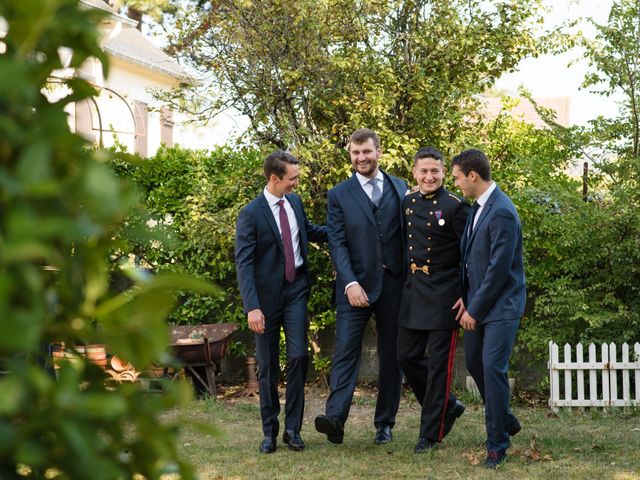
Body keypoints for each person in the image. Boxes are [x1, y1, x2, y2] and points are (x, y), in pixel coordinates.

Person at [315, 128, 407, 446]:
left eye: (366, 151)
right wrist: (350, 281)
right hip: (355, 286)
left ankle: (385, 424)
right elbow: (337, 243)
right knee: (345, 352)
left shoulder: (400, 187)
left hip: (393, 284)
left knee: (391, 355)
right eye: (355, 153)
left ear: (378, 151)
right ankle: (335, 419)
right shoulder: (339, 194)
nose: (361, 158)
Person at [235, 150, 327, 454]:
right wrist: (252, 307)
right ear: (275, 178)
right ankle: (269, 431)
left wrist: (344, 232)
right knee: (267, 366)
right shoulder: (251, 213)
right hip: (265, 300)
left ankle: (293, 430)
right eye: (293, 178)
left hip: (296, 290)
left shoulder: (295, 202)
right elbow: (244, 263)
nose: (297, 183)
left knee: (299, 356)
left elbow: (310, 231)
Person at [451, 148, 525, 469]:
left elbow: (497, 270)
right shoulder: (478, 208)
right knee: (474, 363)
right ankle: (504, 415)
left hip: (502, 306)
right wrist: (465, 298)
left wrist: (475, 309)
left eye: (456, 178)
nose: (456, 185)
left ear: (473, 175)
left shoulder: (503, 212)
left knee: (493, 368)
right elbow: (471, 261)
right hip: (479, 302)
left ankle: (497, 444)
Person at [397, 147, 470, 453]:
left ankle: (429, 433)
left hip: (445, 293)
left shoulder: (456, 206)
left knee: (439, 365)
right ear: (414, 172)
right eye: (423, 171)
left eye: (435, 171)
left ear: (443, 173)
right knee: (406, 356)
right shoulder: (408, 202)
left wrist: (468, 295)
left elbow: (470, 256)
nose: (429, 176)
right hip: (415, 290)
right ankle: (449, 404)